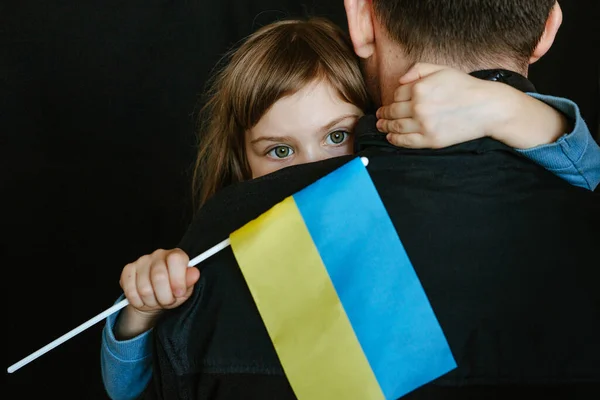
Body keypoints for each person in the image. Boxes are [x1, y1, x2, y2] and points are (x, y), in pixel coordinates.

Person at [100, 6, 600, 400]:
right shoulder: (227, 249)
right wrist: (139, 316)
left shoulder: (387, 225)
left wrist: (508, 111)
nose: (310, 167)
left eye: (338, 136)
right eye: (279, 150)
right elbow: (142, 387)